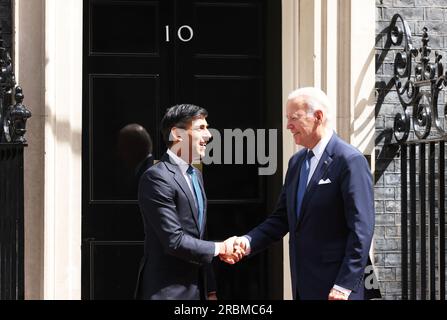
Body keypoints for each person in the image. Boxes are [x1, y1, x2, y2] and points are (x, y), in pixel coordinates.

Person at [226, 87, 377, 300]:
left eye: (294, 118)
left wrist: (345, 284)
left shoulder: (349, 161)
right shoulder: (296, 162)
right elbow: (281, 219)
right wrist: (247, 241)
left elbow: (362, 229)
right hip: (303, 285)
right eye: (288, 118)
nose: (288, 125)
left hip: (338, 289)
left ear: (318, 117)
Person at [135, 104, 240, 300]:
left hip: (197, 290)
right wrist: (221, 248)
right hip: (168, 292)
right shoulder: (156, 178)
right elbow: (174, 241)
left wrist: (211, 289)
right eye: (201, 128)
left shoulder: (196, 175)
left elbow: (200, 235)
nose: (208, 135)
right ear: (177, 134)